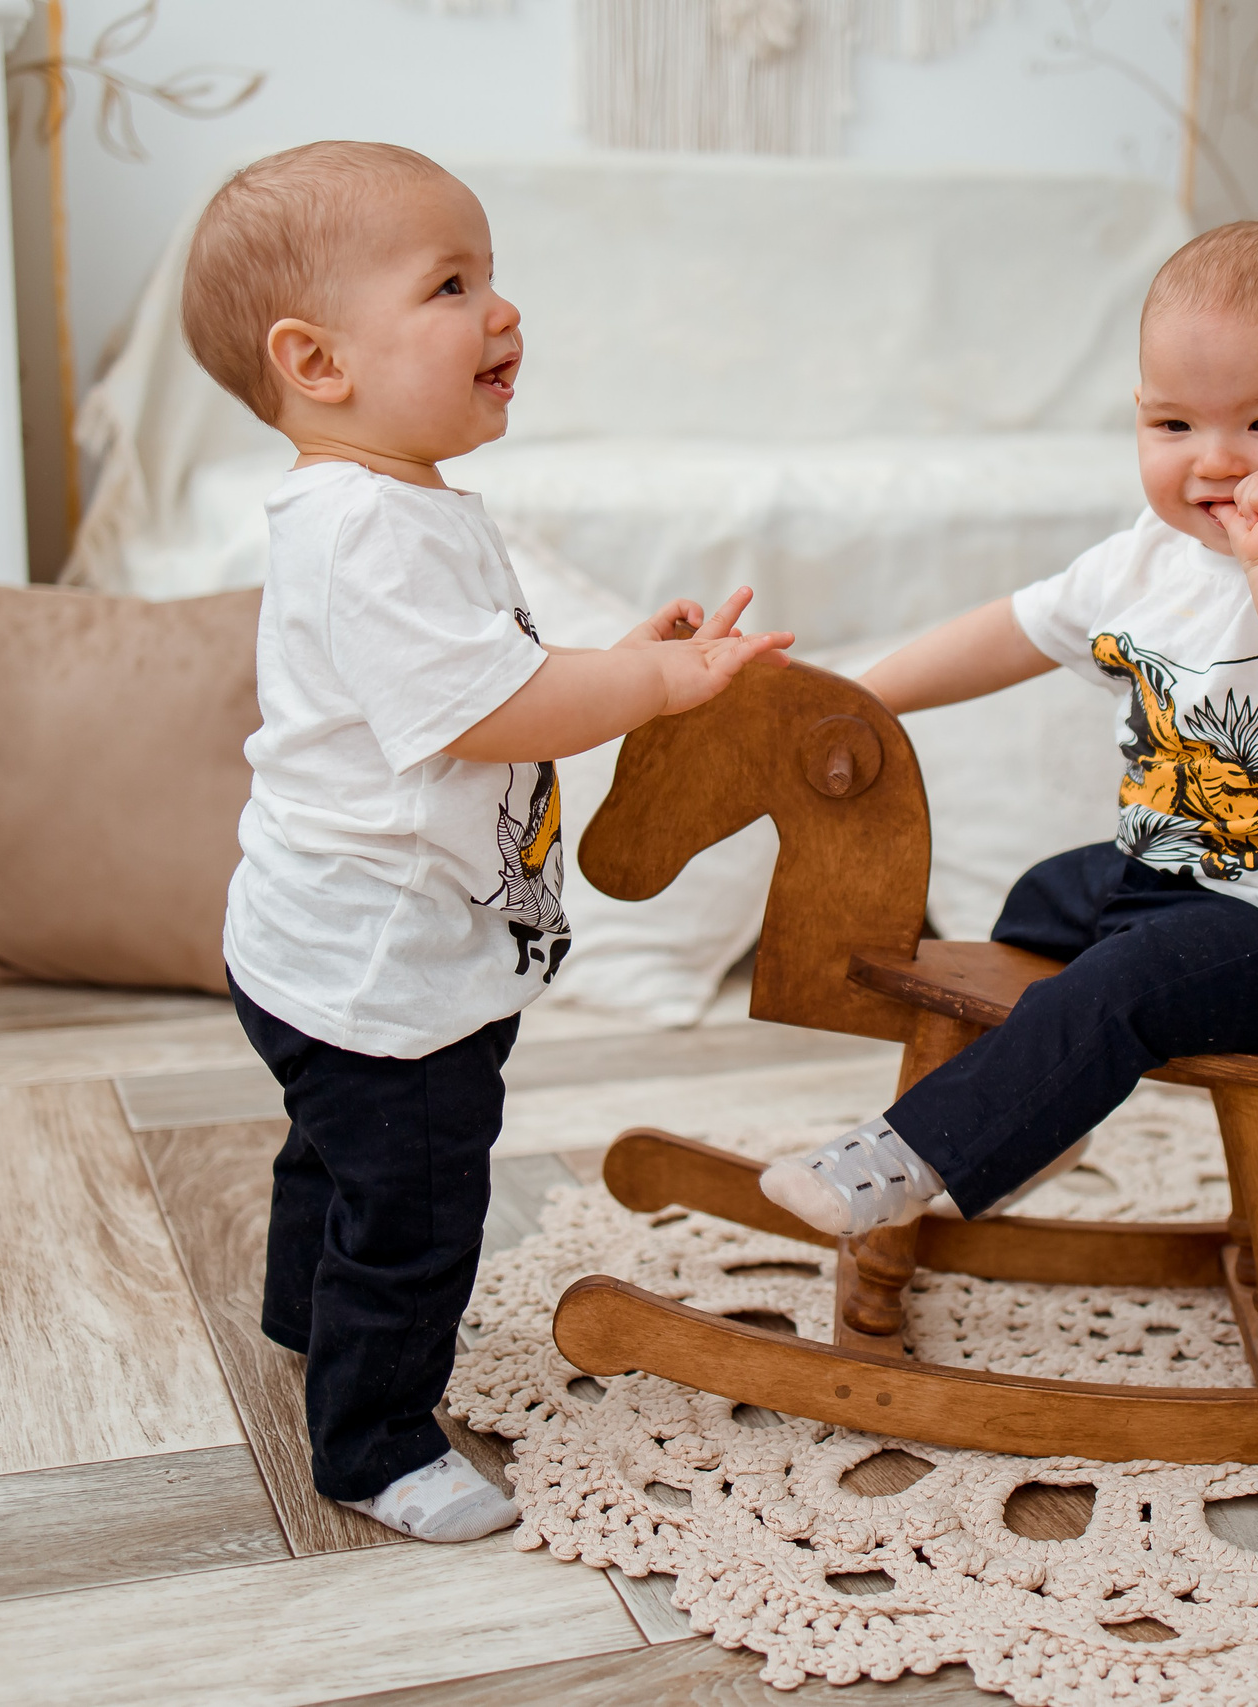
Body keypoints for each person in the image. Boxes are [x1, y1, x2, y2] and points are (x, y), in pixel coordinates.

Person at [181, 141, 790, 1541]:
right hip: (380, 968)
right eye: (453, 285)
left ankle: (302, 1311)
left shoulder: (391, 506)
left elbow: (484, 669)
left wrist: (612, 654)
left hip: (326, 946)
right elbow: (497, 709)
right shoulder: (370, 530)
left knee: (329, 1156)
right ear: (316, 361)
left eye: (495, 276)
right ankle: (376, 1440)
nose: (502, 313)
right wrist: (657, 684)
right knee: (416, 1198)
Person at [760, 220, 1258, 1237]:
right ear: (1138, 421)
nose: (1216, 463)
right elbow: (1009, 631)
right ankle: (1039, 1112)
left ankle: (915, 1148)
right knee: (1039, 898)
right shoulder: (1143, 559)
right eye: (1175, 428)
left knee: (1119, 986)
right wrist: (857, 697)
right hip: (1169, 880)